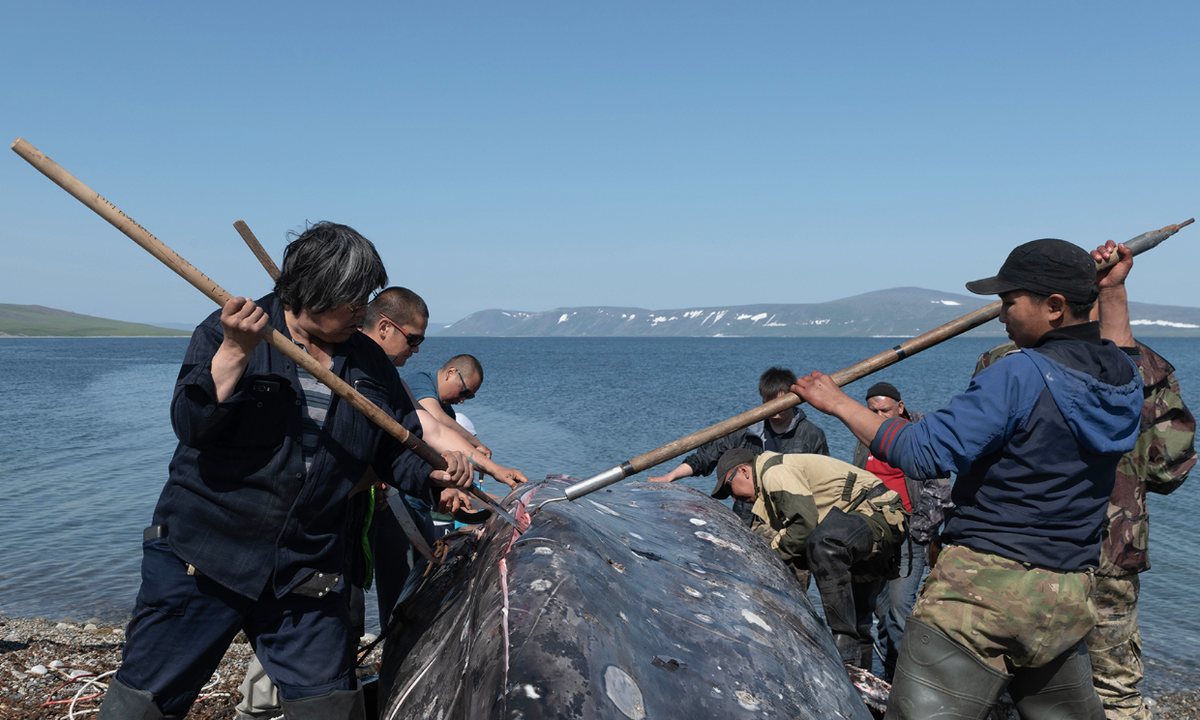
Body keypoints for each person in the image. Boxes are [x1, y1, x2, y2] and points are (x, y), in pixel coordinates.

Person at [98, 222, 472, 720]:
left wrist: (433, 475)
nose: (363, 311)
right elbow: (190, 424)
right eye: (353, 300)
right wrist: (234, 352)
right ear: (314, 292)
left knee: (332, 710)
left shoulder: (369, 364)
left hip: (307, 569)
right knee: (143, 706)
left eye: (366, 298)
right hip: (204, 560)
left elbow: (393, 450)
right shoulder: (229, 330)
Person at [793, 237, 1144, 719]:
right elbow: (1122, 352)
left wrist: (835, 401)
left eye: (1009, 302)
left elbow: (923, 450)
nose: (1001, 316)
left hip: (982, 596)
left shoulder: (1019, 373)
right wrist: (1113, 293)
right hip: (1066, 596)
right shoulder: (1123, 377)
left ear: (1055, 306)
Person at [973, 312, 1195, 716]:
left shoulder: (1006, 360)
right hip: (1107, 553)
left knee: (1003, 687)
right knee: (1113, 691)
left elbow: (975, 456)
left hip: (1015, 554)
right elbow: (1168, 469)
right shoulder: (1141, 372)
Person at [712, 448, 907, 669]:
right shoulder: (768, 490)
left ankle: (844, 648)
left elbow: (803, 526)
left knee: (823, 545)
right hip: (854, 531)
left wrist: (770, 559)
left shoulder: (773, 472)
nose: (734, 497)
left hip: (878, 514)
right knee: (859, 623)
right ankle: (860, 689)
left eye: (729, 487)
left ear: (744, 471)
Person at [849, 381, 951, 682]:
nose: (879, 417)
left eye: (885, 410)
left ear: (900, 408)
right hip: (873, 534)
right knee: (878, 610)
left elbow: (940, 494)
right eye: (873, 411)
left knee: (899, 608)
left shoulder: (921, 437)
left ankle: (911, 680)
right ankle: (888, 676)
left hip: (910, 534)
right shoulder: (865, 437)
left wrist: (917, 533)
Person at [649, 367, 829, 524]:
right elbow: (705, 457)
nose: (774, 409)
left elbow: (822, 484)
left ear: (793, 398)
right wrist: (670, 477)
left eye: (780, 402)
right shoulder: (747, 430)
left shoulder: (812, 435)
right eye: (768, 402)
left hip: (792, 518)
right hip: (748, 519)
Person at [407, 355, 491, 457]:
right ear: (450, 373)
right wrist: (476, 444)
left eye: (469, 396)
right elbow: (436, 417)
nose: (462, 400)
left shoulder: (449, 414)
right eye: (464, 392)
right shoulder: (419, 381)